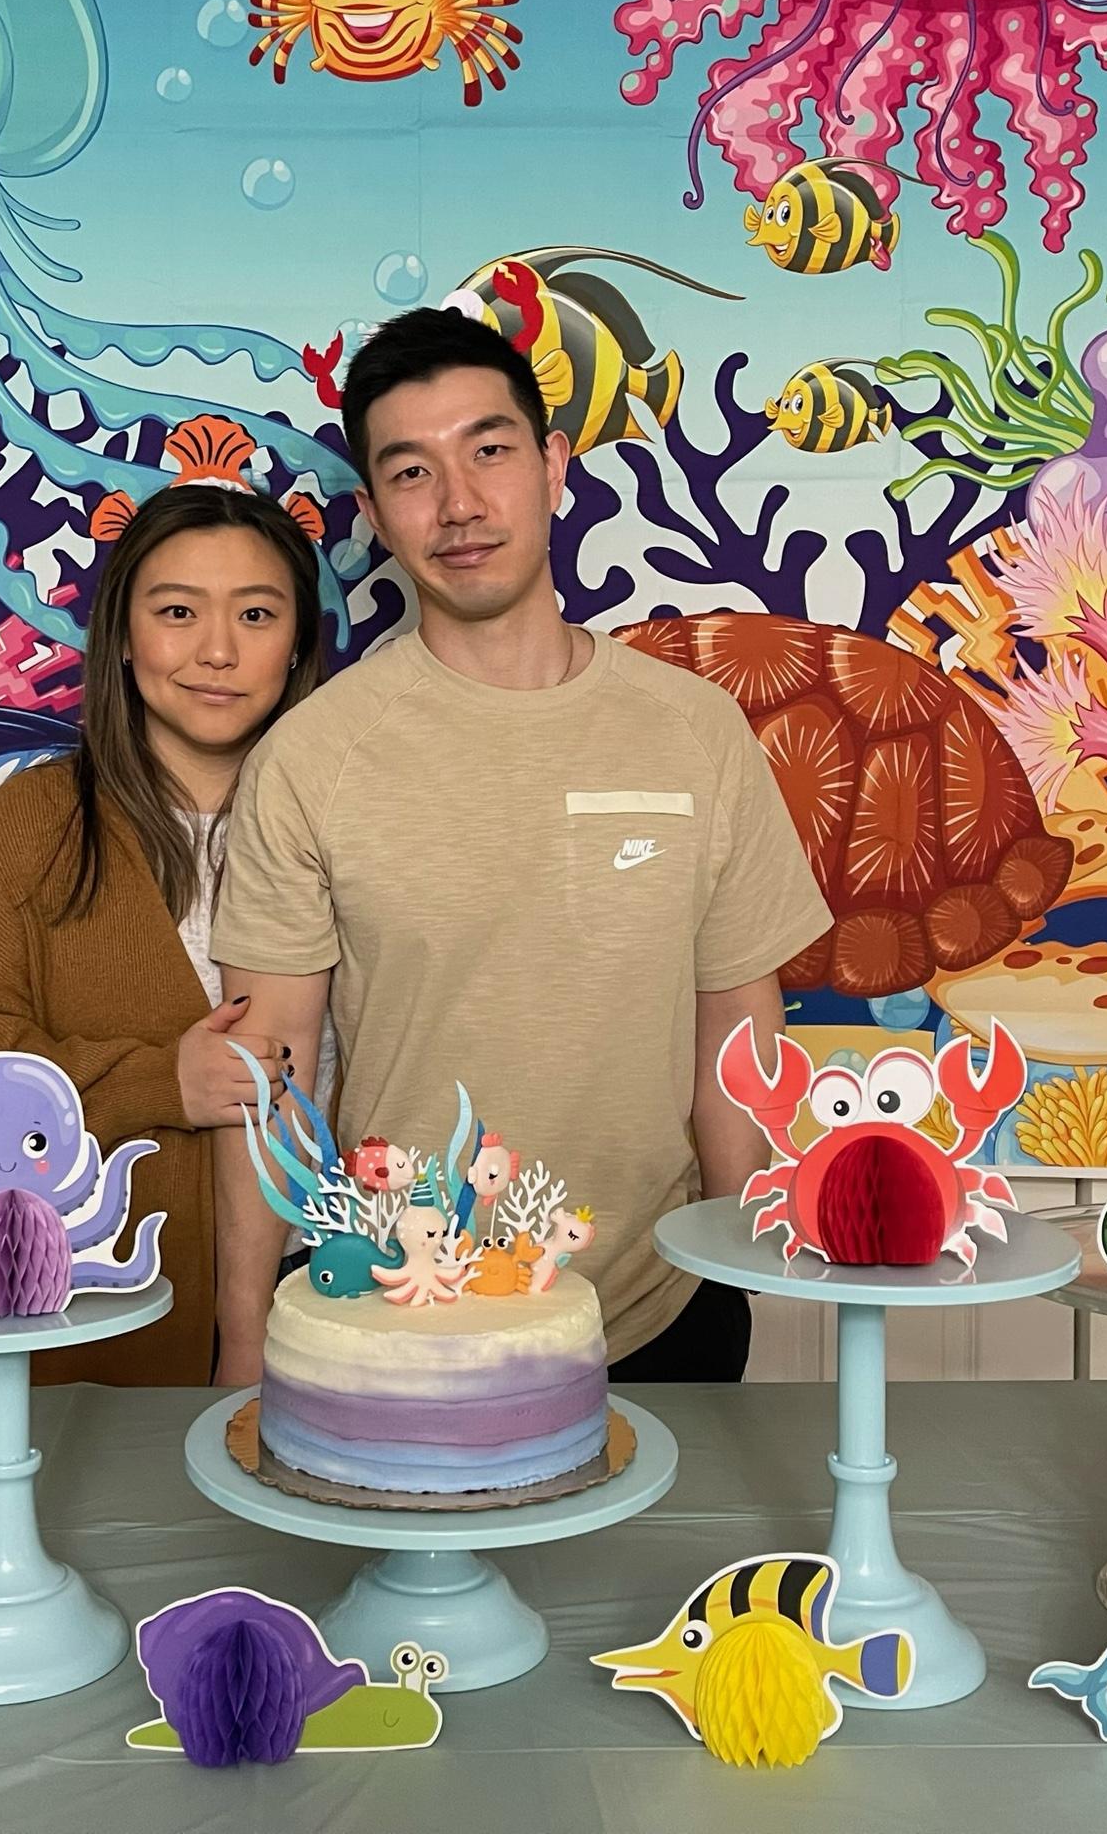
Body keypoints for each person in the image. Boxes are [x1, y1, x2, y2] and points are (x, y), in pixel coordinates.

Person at [210, 308, 831, 1385]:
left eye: (488, 451)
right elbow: (268, 1076)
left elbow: (735, 1021)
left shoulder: (695, 731)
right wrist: (240, 1348)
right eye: (412, 472)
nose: (458, 503)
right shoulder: (312, 758)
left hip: (660, 1312)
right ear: (375, 514)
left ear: (552, 466)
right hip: (398, 1312)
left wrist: (742, 1262)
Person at [0, 479, 331, 1384]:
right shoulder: (29, 824)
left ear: (299, 642)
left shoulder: (355, 826)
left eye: (256, 614)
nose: (217, 650)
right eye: (178, 611)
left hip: (351, 1281)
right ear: (125, 638)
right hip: (115, 1303)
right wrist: (158, 1082)